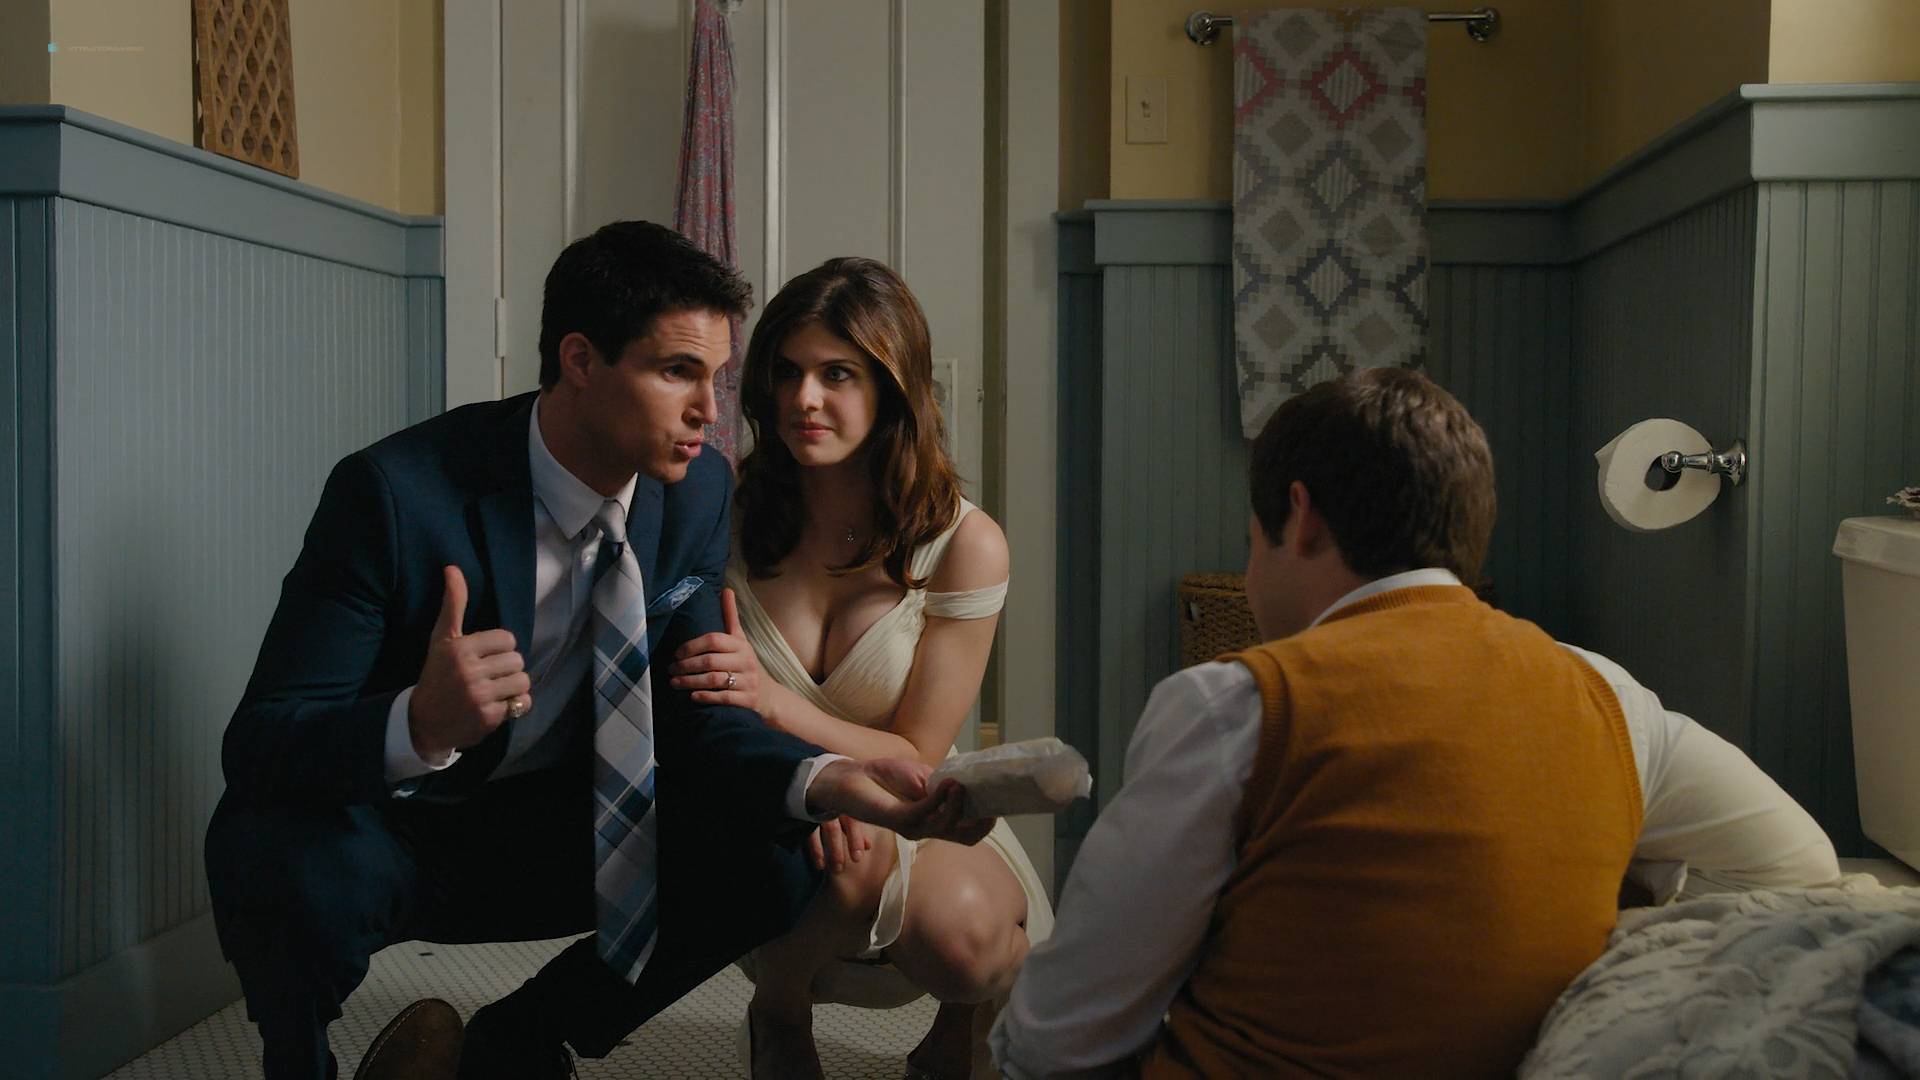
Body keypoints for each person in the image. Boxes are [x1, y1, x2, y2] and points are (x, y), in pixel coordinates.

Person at [203, 222, 992, 1080]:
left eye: (718, 377)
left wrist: (827, 781)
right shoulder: (395, 494)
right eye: (677, 372)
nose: (710, 411)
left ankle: (517, 1042)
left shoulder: (696, 491)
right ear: (580, 360)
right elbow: (261, 741)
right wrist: (418, 723)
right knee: (278, 853)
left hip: (568, 825)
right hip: (396, 827)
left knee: (778, 846)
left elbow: (702, 716)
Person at [990, 367, 1841, 1078]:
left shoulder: (1235, 704)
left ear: (1302, 517)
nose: (1249, 576)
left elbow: (1062, 1035)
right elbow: (1796, 862)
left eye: (1253, 542)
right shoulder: (1603, 692)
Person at [666, 257, 1051, 1080]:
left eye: (837, 374)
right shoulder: (722, 514)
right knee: (839, 860)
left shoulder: (964, 543)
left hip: (908, 797)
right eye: (788, 372)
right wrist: (803, 774)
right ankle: (780, 1010)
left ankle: (962, 1025)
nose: (804, 399)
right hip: (762, 796)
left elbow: (915, 751)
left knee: (970, 950)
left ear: (892, 386)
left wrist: (772, 701)